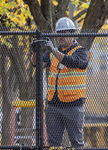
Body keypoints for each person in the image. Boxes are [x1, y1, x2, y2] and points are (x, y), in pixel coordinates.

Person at [30, 17, 89, 148]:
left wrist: (53, 51)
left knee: (77, 144)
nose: (60, 37)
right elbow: (36, 64)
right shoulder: (52, 54)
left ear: (72, 34)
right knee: (54, 144)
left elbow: (72, 62)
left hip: (73, 106)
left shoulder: (81, 52)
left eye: (64, 33)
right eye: (59, 33)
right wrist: (35, 51)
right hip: (54, 106)